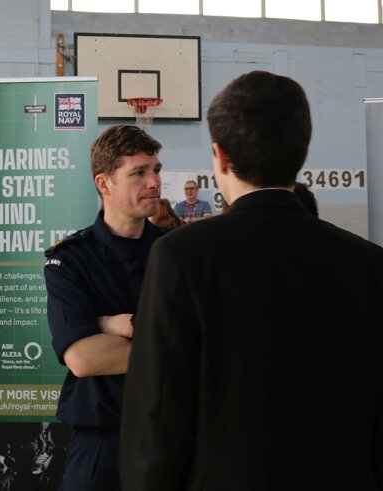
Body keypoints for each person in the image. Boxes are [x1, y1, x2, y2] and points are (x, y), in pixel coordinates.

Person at [120, 70, 383, 490]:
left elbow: (158, 421)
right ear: (303, 153)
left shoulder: (181, 256)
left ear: (220, 157)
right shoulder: (368, 263)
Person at [44, 124, 167, 491]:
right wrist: (166, 343)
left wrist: (109, 325)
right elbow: (84, 359)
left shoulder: (178, 253)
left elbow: (202, 341)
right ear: (104, 184)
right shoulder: (71, 261)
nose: (154, 182)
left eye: (156, 170)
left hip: (169, 435)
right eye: (139, 173)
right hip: (100, 444)